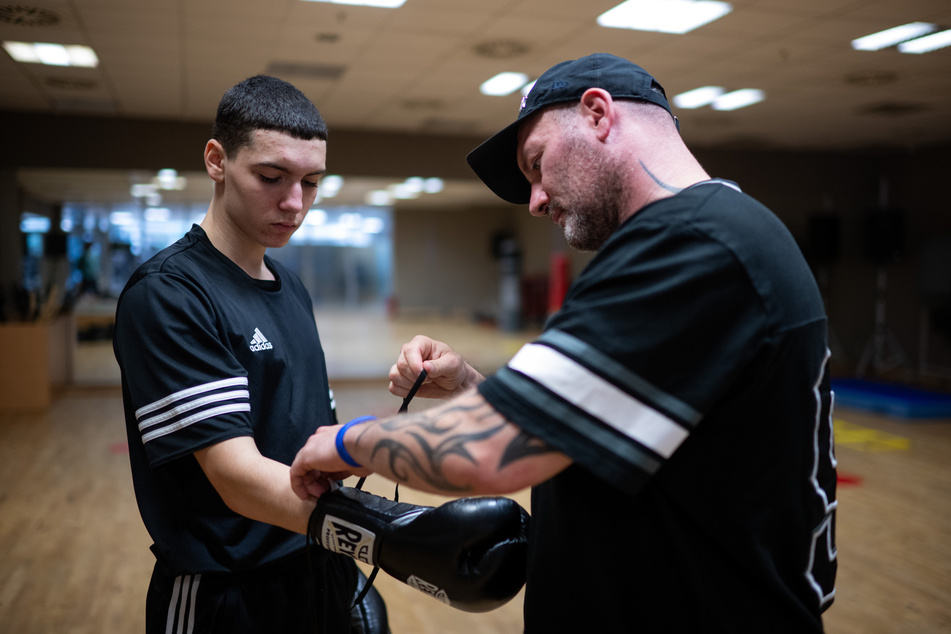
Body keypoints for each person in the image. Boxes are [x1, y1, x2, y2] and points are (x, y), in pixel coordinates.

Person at [291, 53, 837, 632]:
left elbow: (489, 451)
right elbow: (594, 423)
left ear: (597, 114)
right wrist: (472, 386)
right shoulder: (717, 235)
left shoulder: (693, 243)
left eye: (537, 164)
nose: (535, 201)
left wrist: (346, 440)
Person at [114, 75, 387, 634]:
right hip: (227, 593)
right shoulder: (169, 293)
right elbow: (237, 478)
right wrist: (387, 529)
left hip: (318, 564)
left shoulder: (292, 287)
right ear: (217, 160)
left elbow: (310, 443)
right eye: (271, 177)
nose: (295, 203)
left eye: (311, 182)